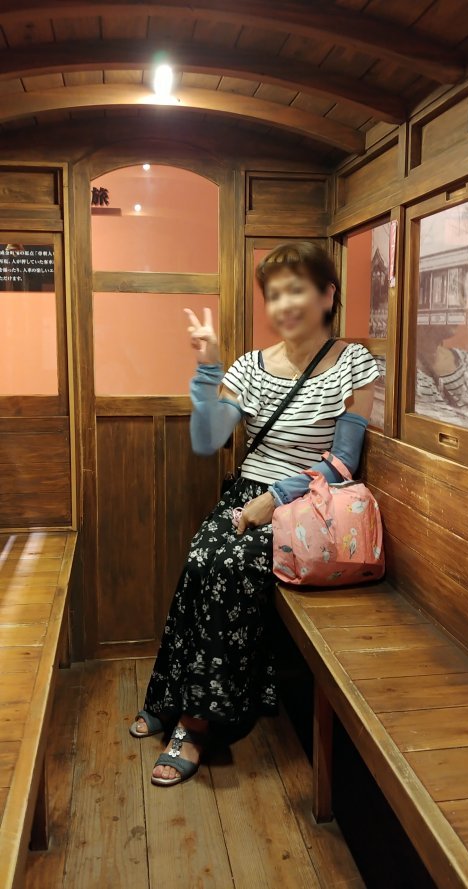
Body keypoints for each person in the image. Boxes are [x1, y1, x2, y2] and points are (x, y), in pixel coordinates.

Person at [129, 241, 380, 787]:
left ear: (327, 295)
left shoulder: (354, 364)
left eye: (296, 291)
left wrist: (277, 498)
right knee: (201, 560)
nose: (284, 305)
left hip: (309, 505)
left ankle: (195, 722)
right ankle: (170, 695)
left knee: (225, 566)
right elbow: (208, 439)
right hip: (246, 494)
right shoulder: (250, 366)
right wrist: (208, 366)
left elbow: (343, 460)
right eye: (274, 295)